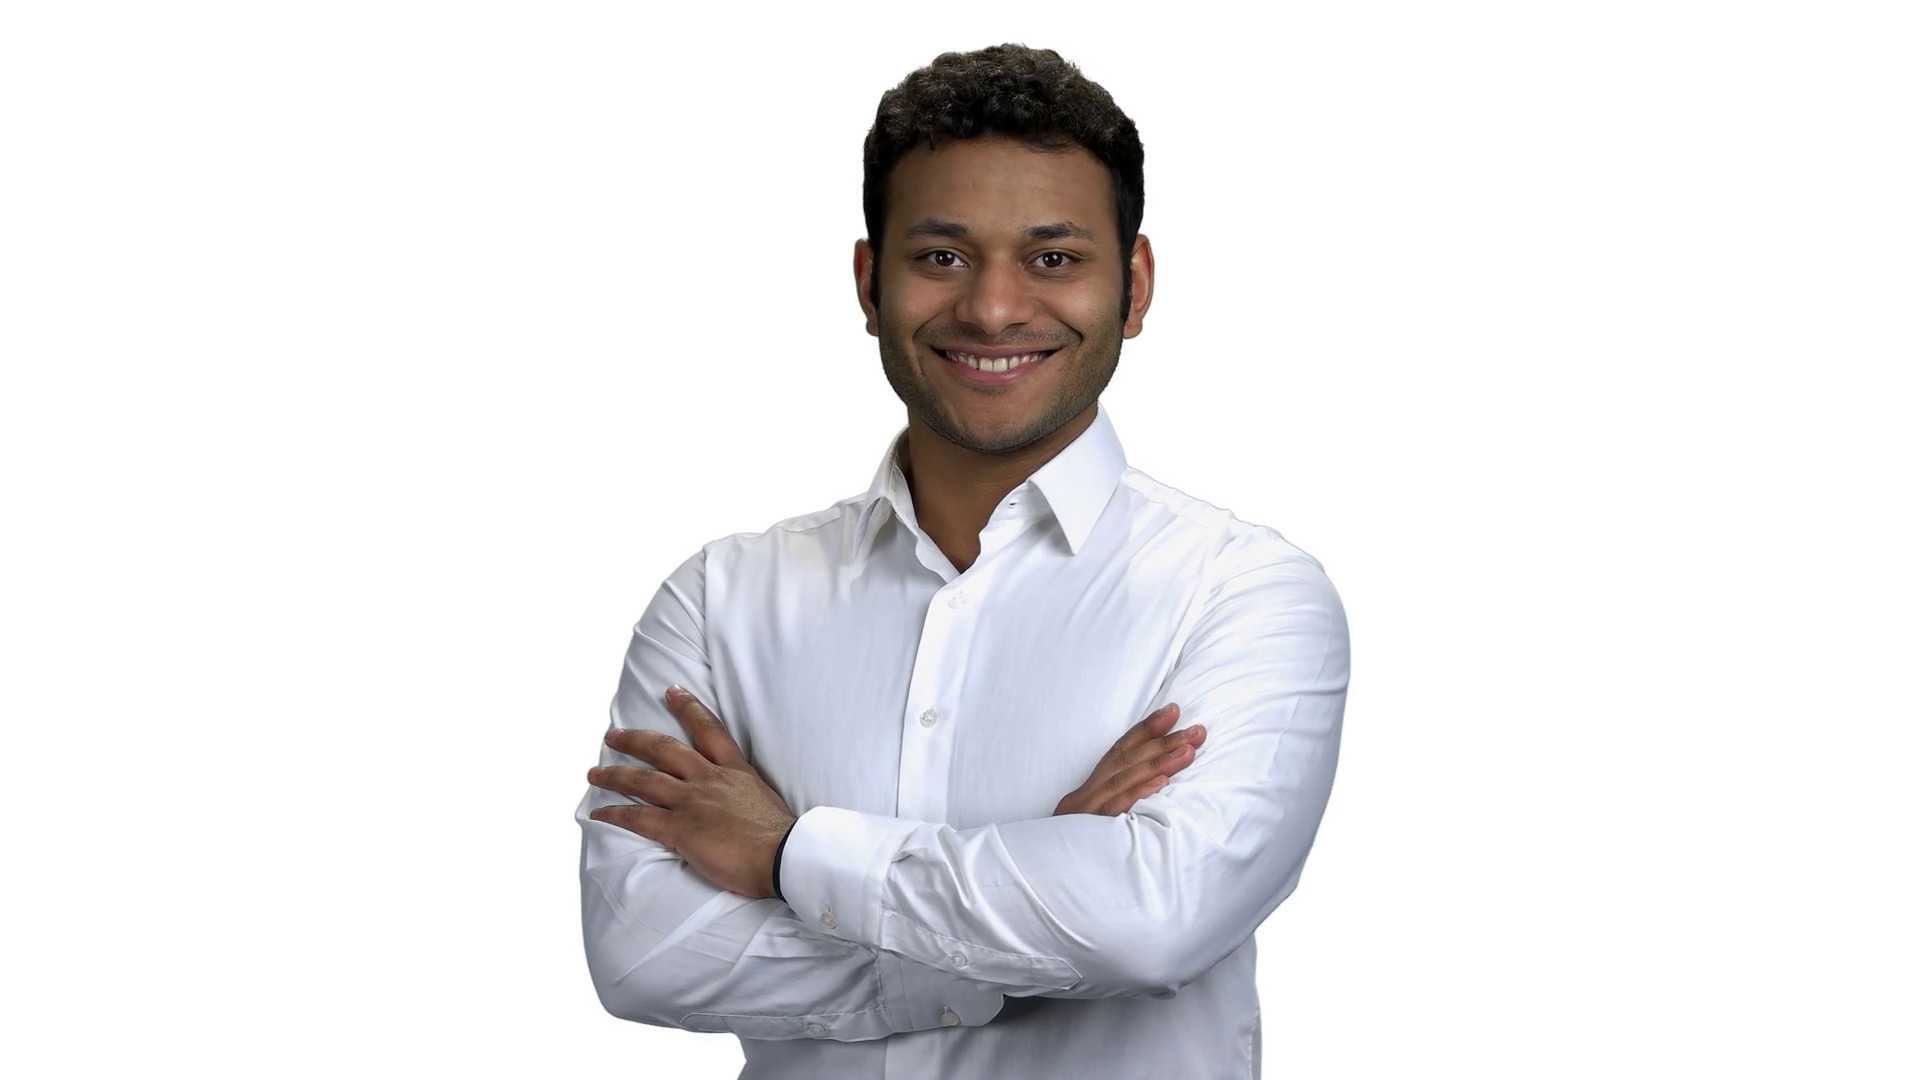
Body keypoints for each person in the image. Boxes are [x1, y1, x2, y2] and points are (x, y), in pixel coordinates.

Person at [576, 43, 1349, 1079]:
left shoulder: (1244, 595)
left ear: (1134, 286)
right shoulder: (720, 600)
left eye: (1053, 259)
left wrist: (788, 855)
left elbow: (1152, 921)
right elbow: (644, 954)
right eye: (941, 257)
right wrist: (1032, 906)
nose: (991, 309)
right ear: (869, 283)